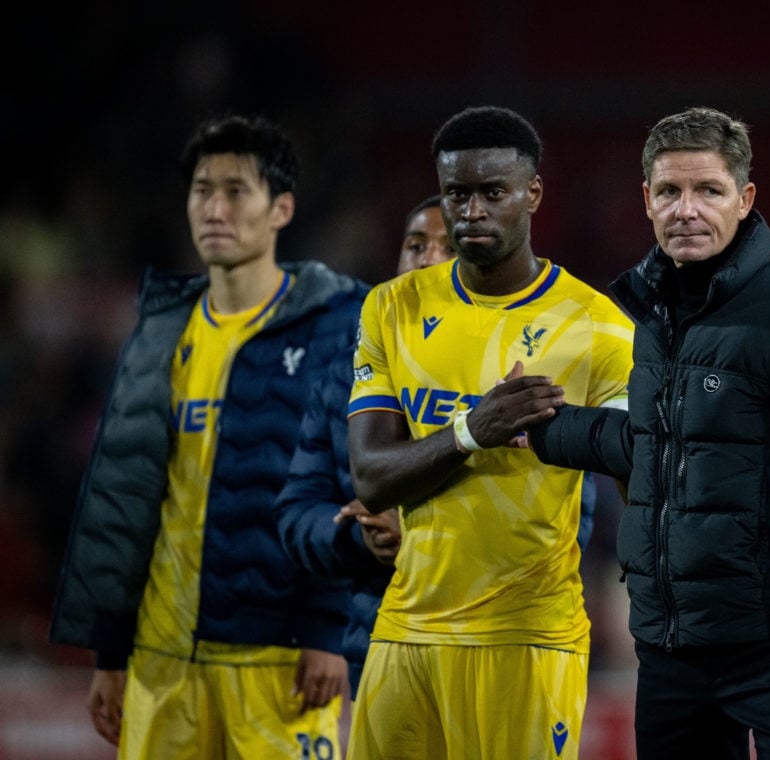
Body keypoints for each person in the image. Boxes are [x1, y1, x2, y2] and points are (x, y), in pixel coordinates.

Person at [524, 106, 770, 758]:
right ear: (647, 200)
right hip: (674, 654)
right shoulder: (650, 314)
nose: (687, 209)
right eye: (671, 191)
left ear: (745, 199)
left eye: (709, 190)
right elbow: (651, 446)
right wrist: (540, 428)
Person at [48, 114, 369, 759]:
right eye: (201, 189)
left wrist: (327, 630)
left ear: (281, 209)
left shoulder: (336, 325)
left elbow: (350, 479)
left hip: (278, 658)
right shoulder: (161, 329)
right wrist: (111, 650)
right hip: (161, 655)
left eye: (235, 190)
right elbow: (124, 495)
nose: (214, 208)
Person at [344, 105, 634, 760]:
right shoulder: (392, 307)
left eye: (491, 193)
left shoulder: (599, 329)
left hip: (526, 638)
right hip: (403, 634)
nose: (470, 211)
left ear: (532, 194)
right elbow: (371, 473)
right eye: (456, 194)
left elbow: (641, 475)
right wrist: (472, 431)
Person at [274, 194, 454, 699]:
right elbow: (296, 510)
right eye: (415, 244)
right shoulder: (344, 376)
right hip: (375, 652)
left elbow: (568, 524)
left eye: (449, 246)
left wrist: (419, 534)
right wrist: (359, 539)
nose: (428, 258)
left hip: (489, 646)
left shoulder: (513, 369)